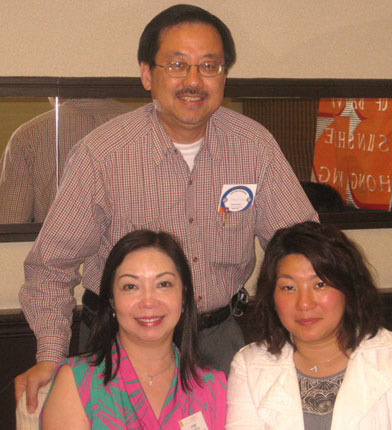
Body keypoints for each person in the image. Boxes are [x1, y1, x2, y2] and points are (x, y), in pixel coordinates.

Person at [16, 3, 317, 414]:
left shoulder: (254, 147)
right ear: (146, 74)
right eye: (177, 65)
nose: (194, 80)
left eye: (209, 66)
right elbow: (50, 267)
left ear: (224, 74)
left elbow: (304, 249)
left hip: (217, 339)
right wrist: (51, 355)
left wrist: (316, 337)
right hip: (120, 342)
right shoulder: (102, 154)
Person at [226, 222, 392, 429]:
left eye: (320, 284)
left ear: (348, 287)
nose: (304, 303)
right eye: (289, 288)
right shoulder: (249, 365)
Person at [41, 229, 226, 429]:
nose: (148, 302)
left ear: (183, 297)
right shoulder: (77, 381)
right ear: (112, 301)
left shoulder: (212, 386)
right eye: (131, 287)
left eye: (163, 284)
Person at [0, 98, 131, 223]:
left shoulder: (29, 135)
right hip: (133, 239)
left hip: (60, 238)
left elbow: (11, 223)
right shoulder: (140, 123)